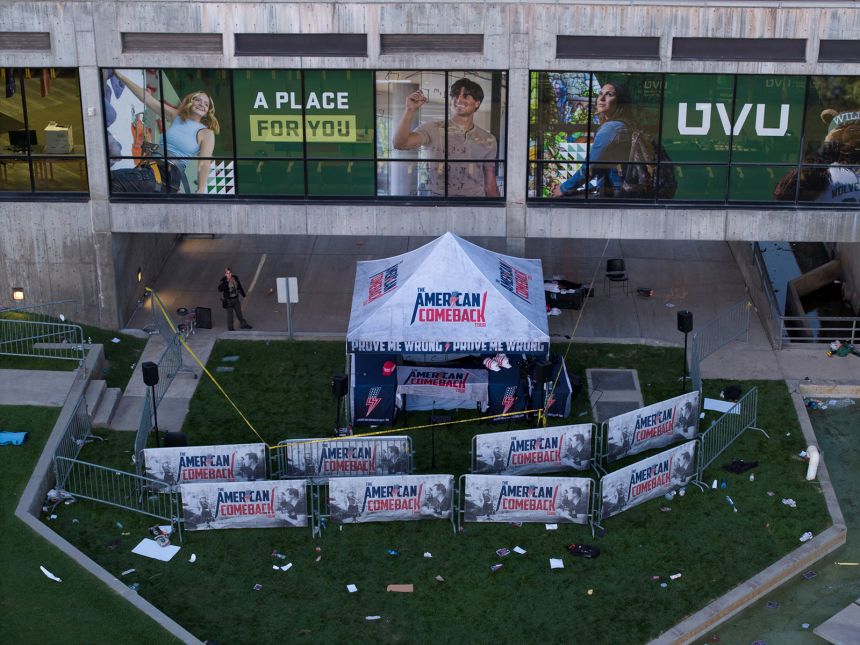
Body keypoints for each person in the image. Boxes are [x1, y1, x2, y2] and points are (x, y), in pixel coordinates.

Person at [109, 69, 219, 194]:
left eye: (206, 104)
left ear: (208, 111)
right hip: (150, 168)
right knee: (111, 182)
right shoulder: (176, 116)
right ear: (190, 101)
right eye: (198, 100)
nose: (201, 104)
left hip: (167, 175)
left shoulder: (206, 133)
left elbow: (204, 164)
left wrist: (200, 190)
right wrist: (122, 77)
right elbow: (148, 99)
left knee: (113, 181)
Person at [393, 77, 500, 198]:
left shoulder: (488, 140)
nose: (459, 99)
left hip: (474, 205)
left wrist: (498, 212)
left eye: (466, 96)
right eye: (455, 95)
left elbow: (490, 183)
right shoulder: (432, 129)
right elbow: (400, 144)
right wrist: (410, 110)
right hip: (437, 204)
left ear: (477, 103)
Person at [552, 82, 634, 198]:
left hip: (615, 195)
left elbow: (591, 166)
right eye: (600, 93)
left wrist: (564, 188)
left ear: (620, 102)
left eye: (609, 94)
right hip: (622, 191)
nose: (601, 98)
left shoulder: (611, 128)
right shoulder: (624, 125)